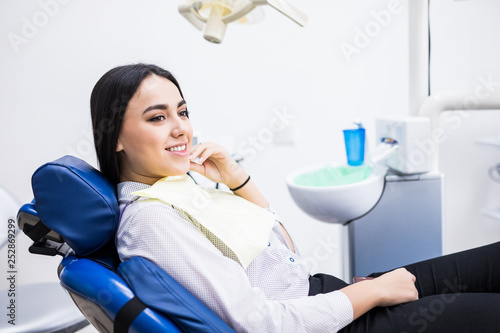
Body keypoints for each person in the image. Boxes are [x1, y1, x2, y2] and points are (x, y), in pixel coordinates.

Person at [90, 63, 500, 332]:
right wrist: (371, 293)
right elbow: (258, 323)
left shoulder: (173, 189)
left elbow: (282, 256)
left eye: (182, 111)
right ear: (116, 138)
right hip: (328, 321)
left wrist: (237, 180)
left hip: (324, 299)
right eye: (158, 117)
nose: (181, 128)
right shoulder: (153, 221)